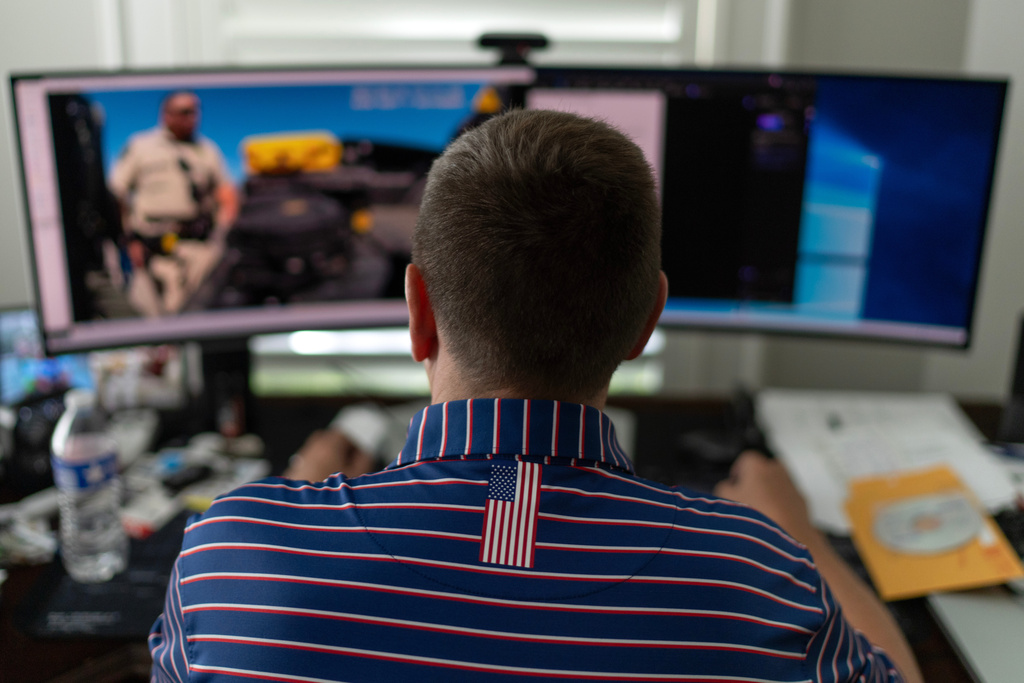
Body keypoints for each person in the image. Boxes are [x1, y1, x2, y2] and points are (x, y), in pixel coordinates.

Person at [149, 109, 922, 682]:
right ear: (644, 321)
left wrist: (299, 488)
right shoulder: (758, 580)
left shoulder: (230, 557)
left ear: (419, 312)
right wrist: (799, 533)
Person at [109, 91, 238, 316]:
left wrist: (222, 238)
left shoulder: (208, 150)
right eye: (184, 112)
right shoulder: (141, 146)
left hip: (200, 250)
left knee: (200, 315)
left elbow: (226, 194)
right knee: (152, 321)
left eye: (196, 111)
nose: (193, 117)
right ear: (166, 114)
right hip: (153, 251)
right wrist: (128, 240)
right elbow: (116, 194)